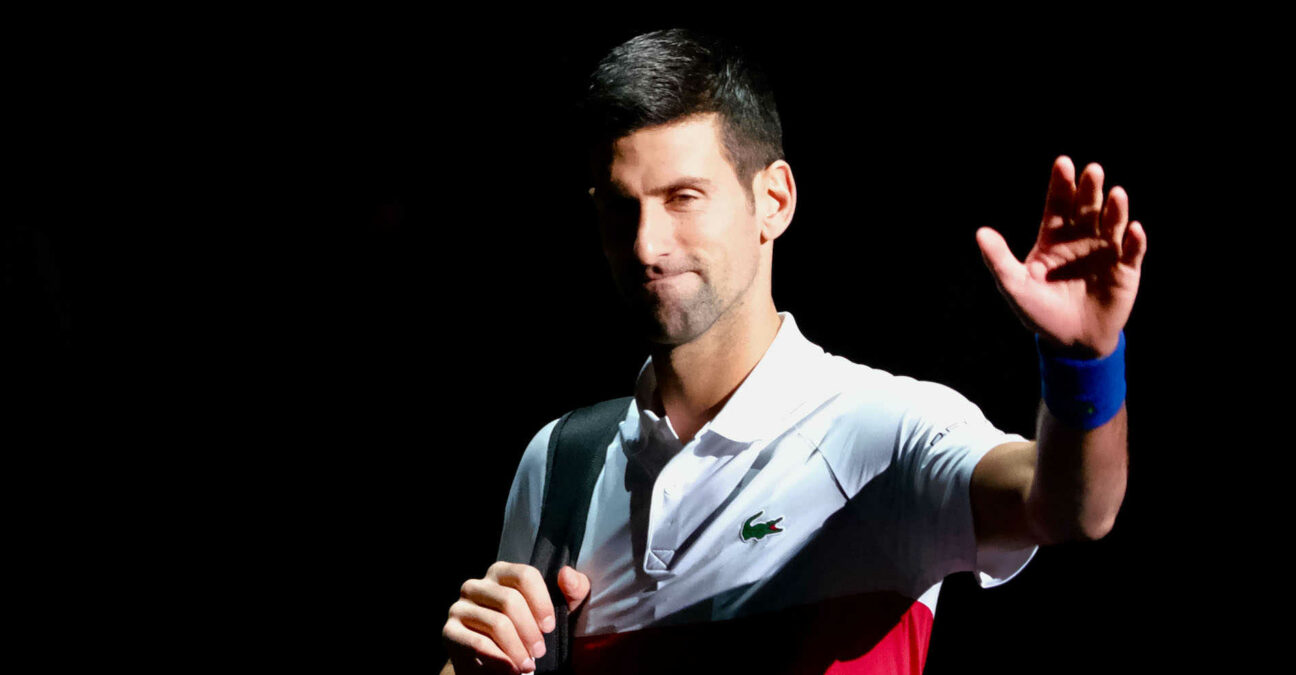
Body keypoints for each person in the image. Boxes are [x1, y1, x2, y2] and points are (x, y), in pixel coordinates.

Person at [441, 28, 1146, 675]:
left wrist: (1085, 362)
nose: (646, 245)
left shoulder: (880, 430)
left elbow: (1070, 508)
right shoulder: (560, 463)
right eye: (621, 207)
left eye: (683, 197)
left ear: (773, 199)